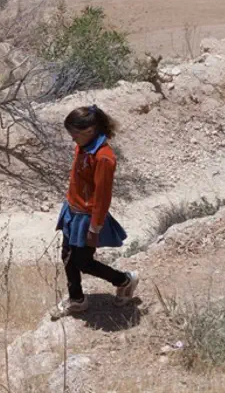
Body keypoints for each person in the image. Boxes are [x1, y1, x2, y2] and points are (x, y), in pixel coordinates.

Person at [51, 104, 139, 320]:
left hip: (87, 218)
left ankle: (124, 280)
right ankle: (77, 300)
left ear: (90, 130)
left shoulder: (104, 158)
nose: (72, 138)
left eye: (75, 133)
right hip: (72, 211)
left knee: (83, 262)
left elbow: (102, 197)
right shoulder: (83, 147)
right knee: (68, 257)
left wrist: (95, 227)